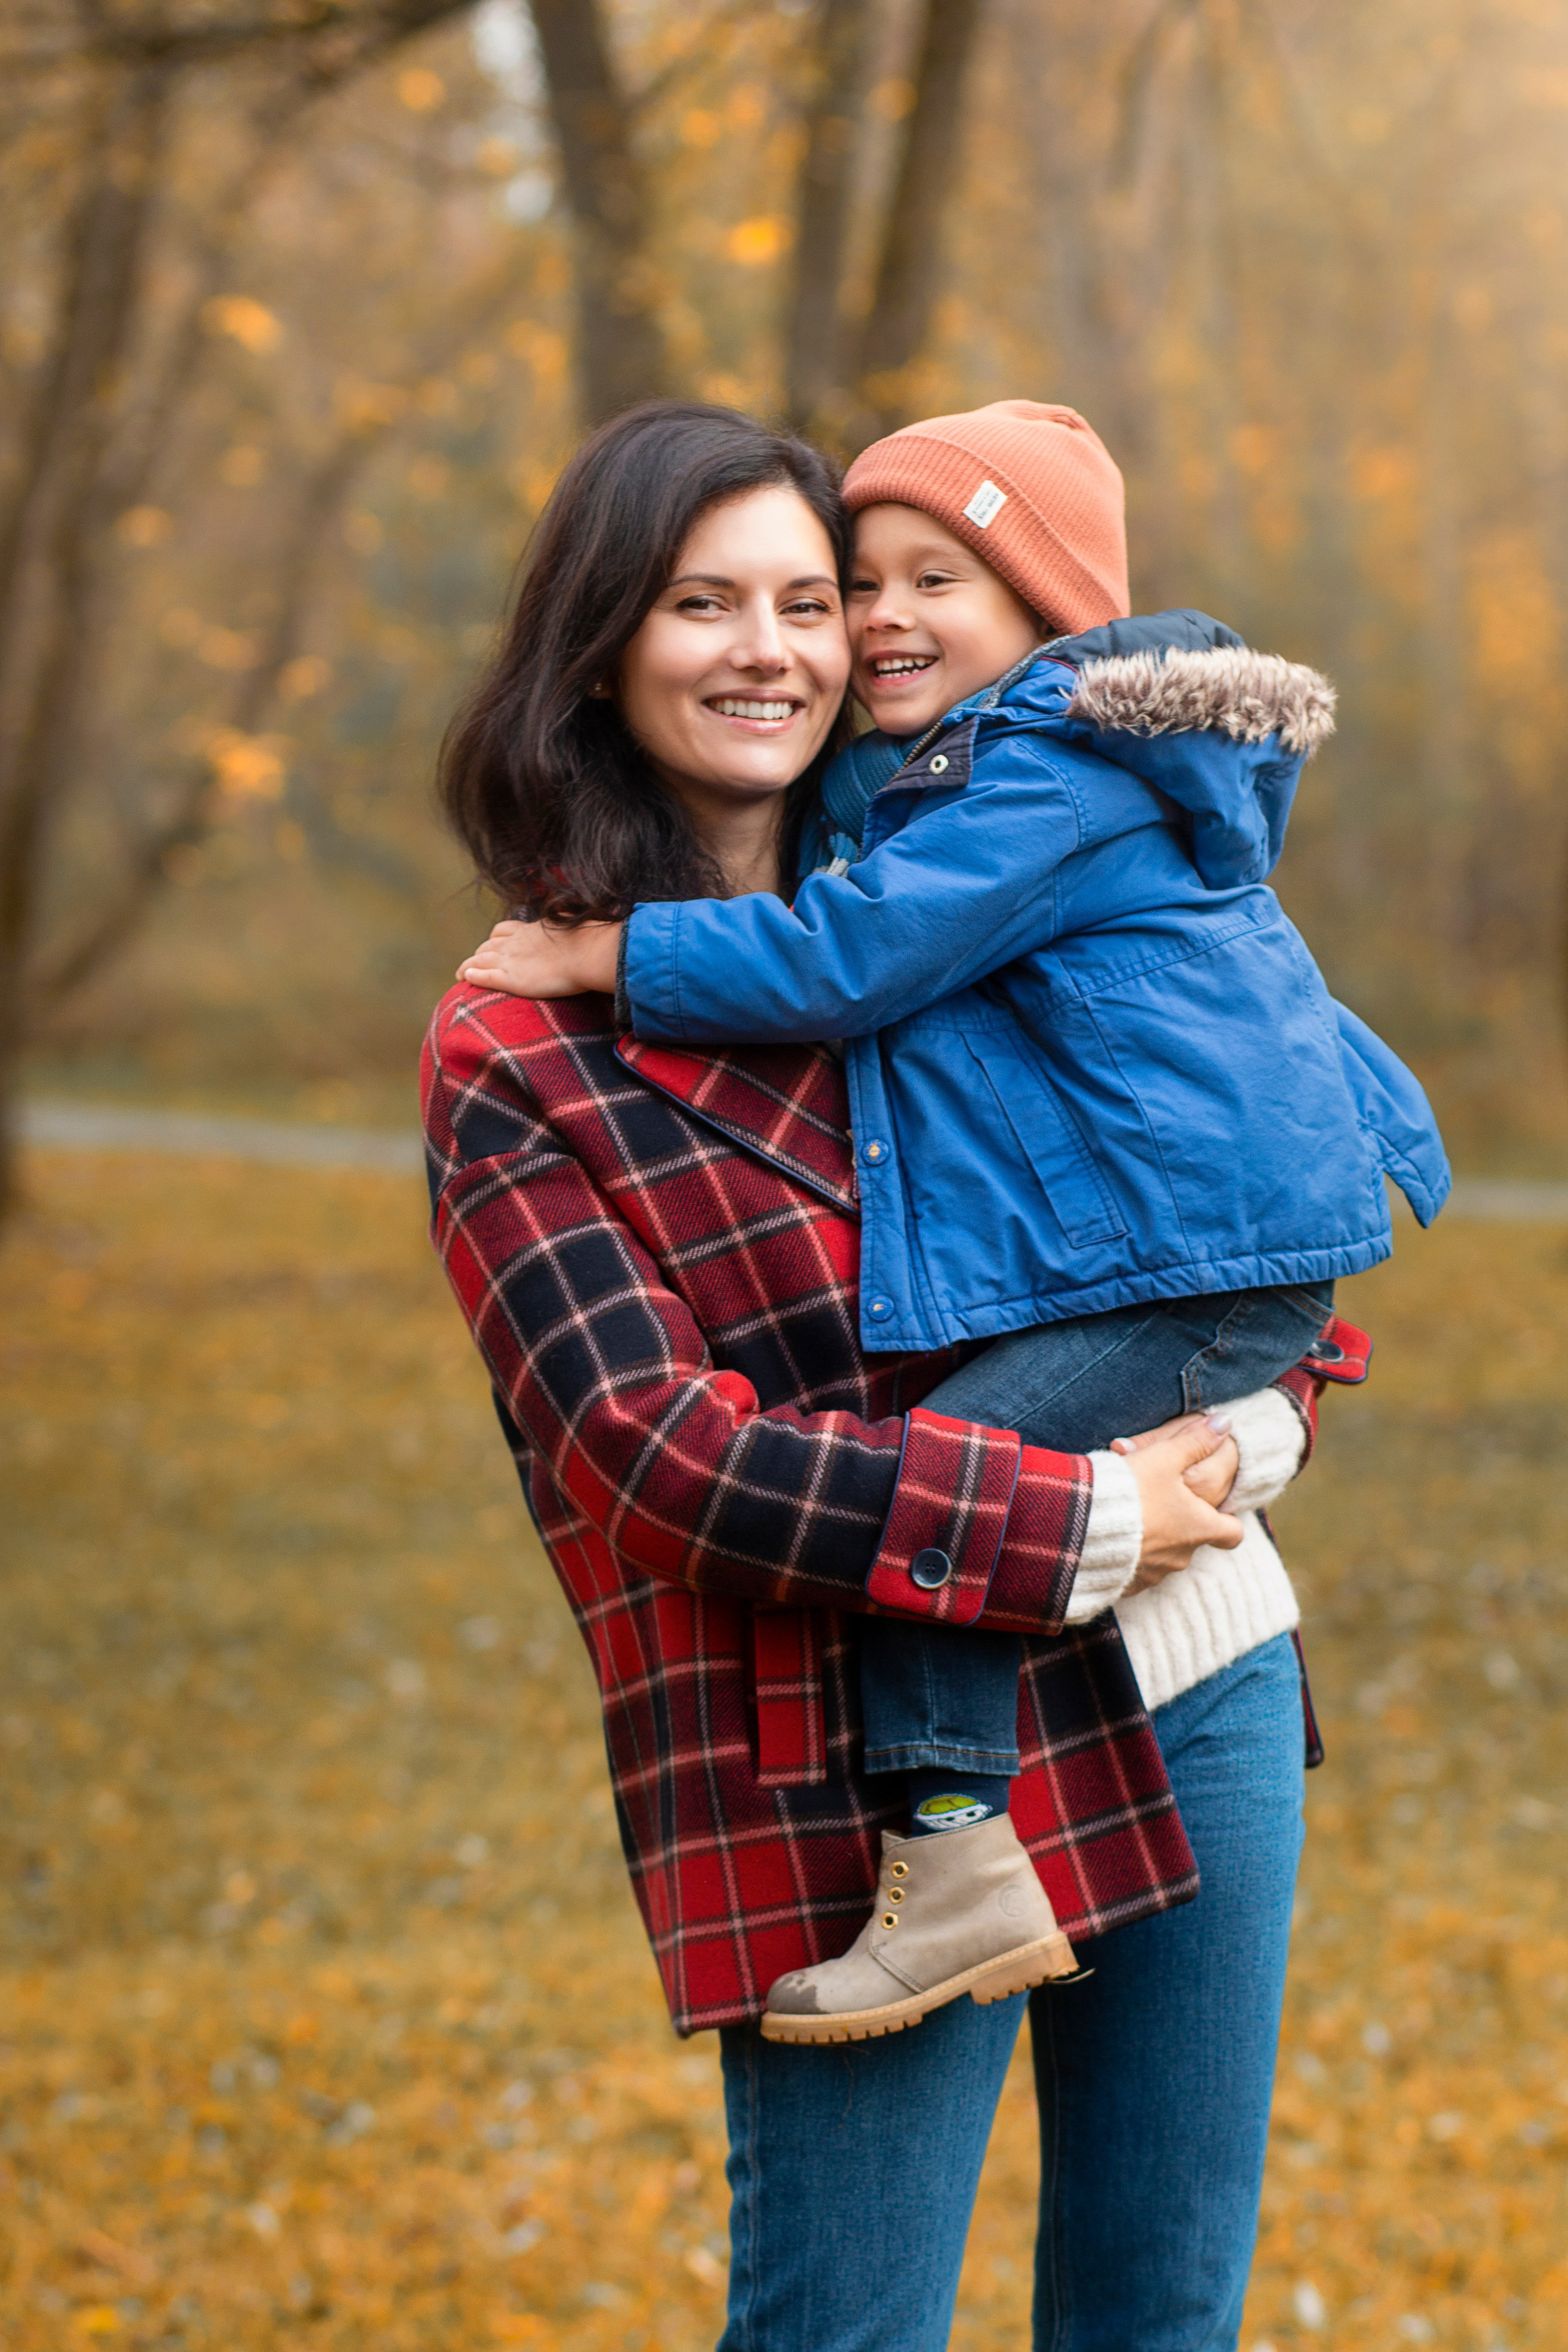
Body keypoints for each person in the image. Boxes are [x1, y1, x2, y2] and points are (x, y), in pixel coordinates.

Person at [429, 398, 1368, 2352]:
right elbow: (654, 1454)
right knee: (846, 2330)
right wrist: (1089, 1507)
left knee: (1157, 2318)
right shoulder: (528, 1037)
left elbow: (1230, 1190)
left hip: (1194, 1669)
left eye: (815, 597)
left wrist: (1292, 1394)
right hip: (844, 1762)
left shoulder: (985, 881)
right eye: (710, 602)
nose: (783, 644)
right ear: (605, 643)